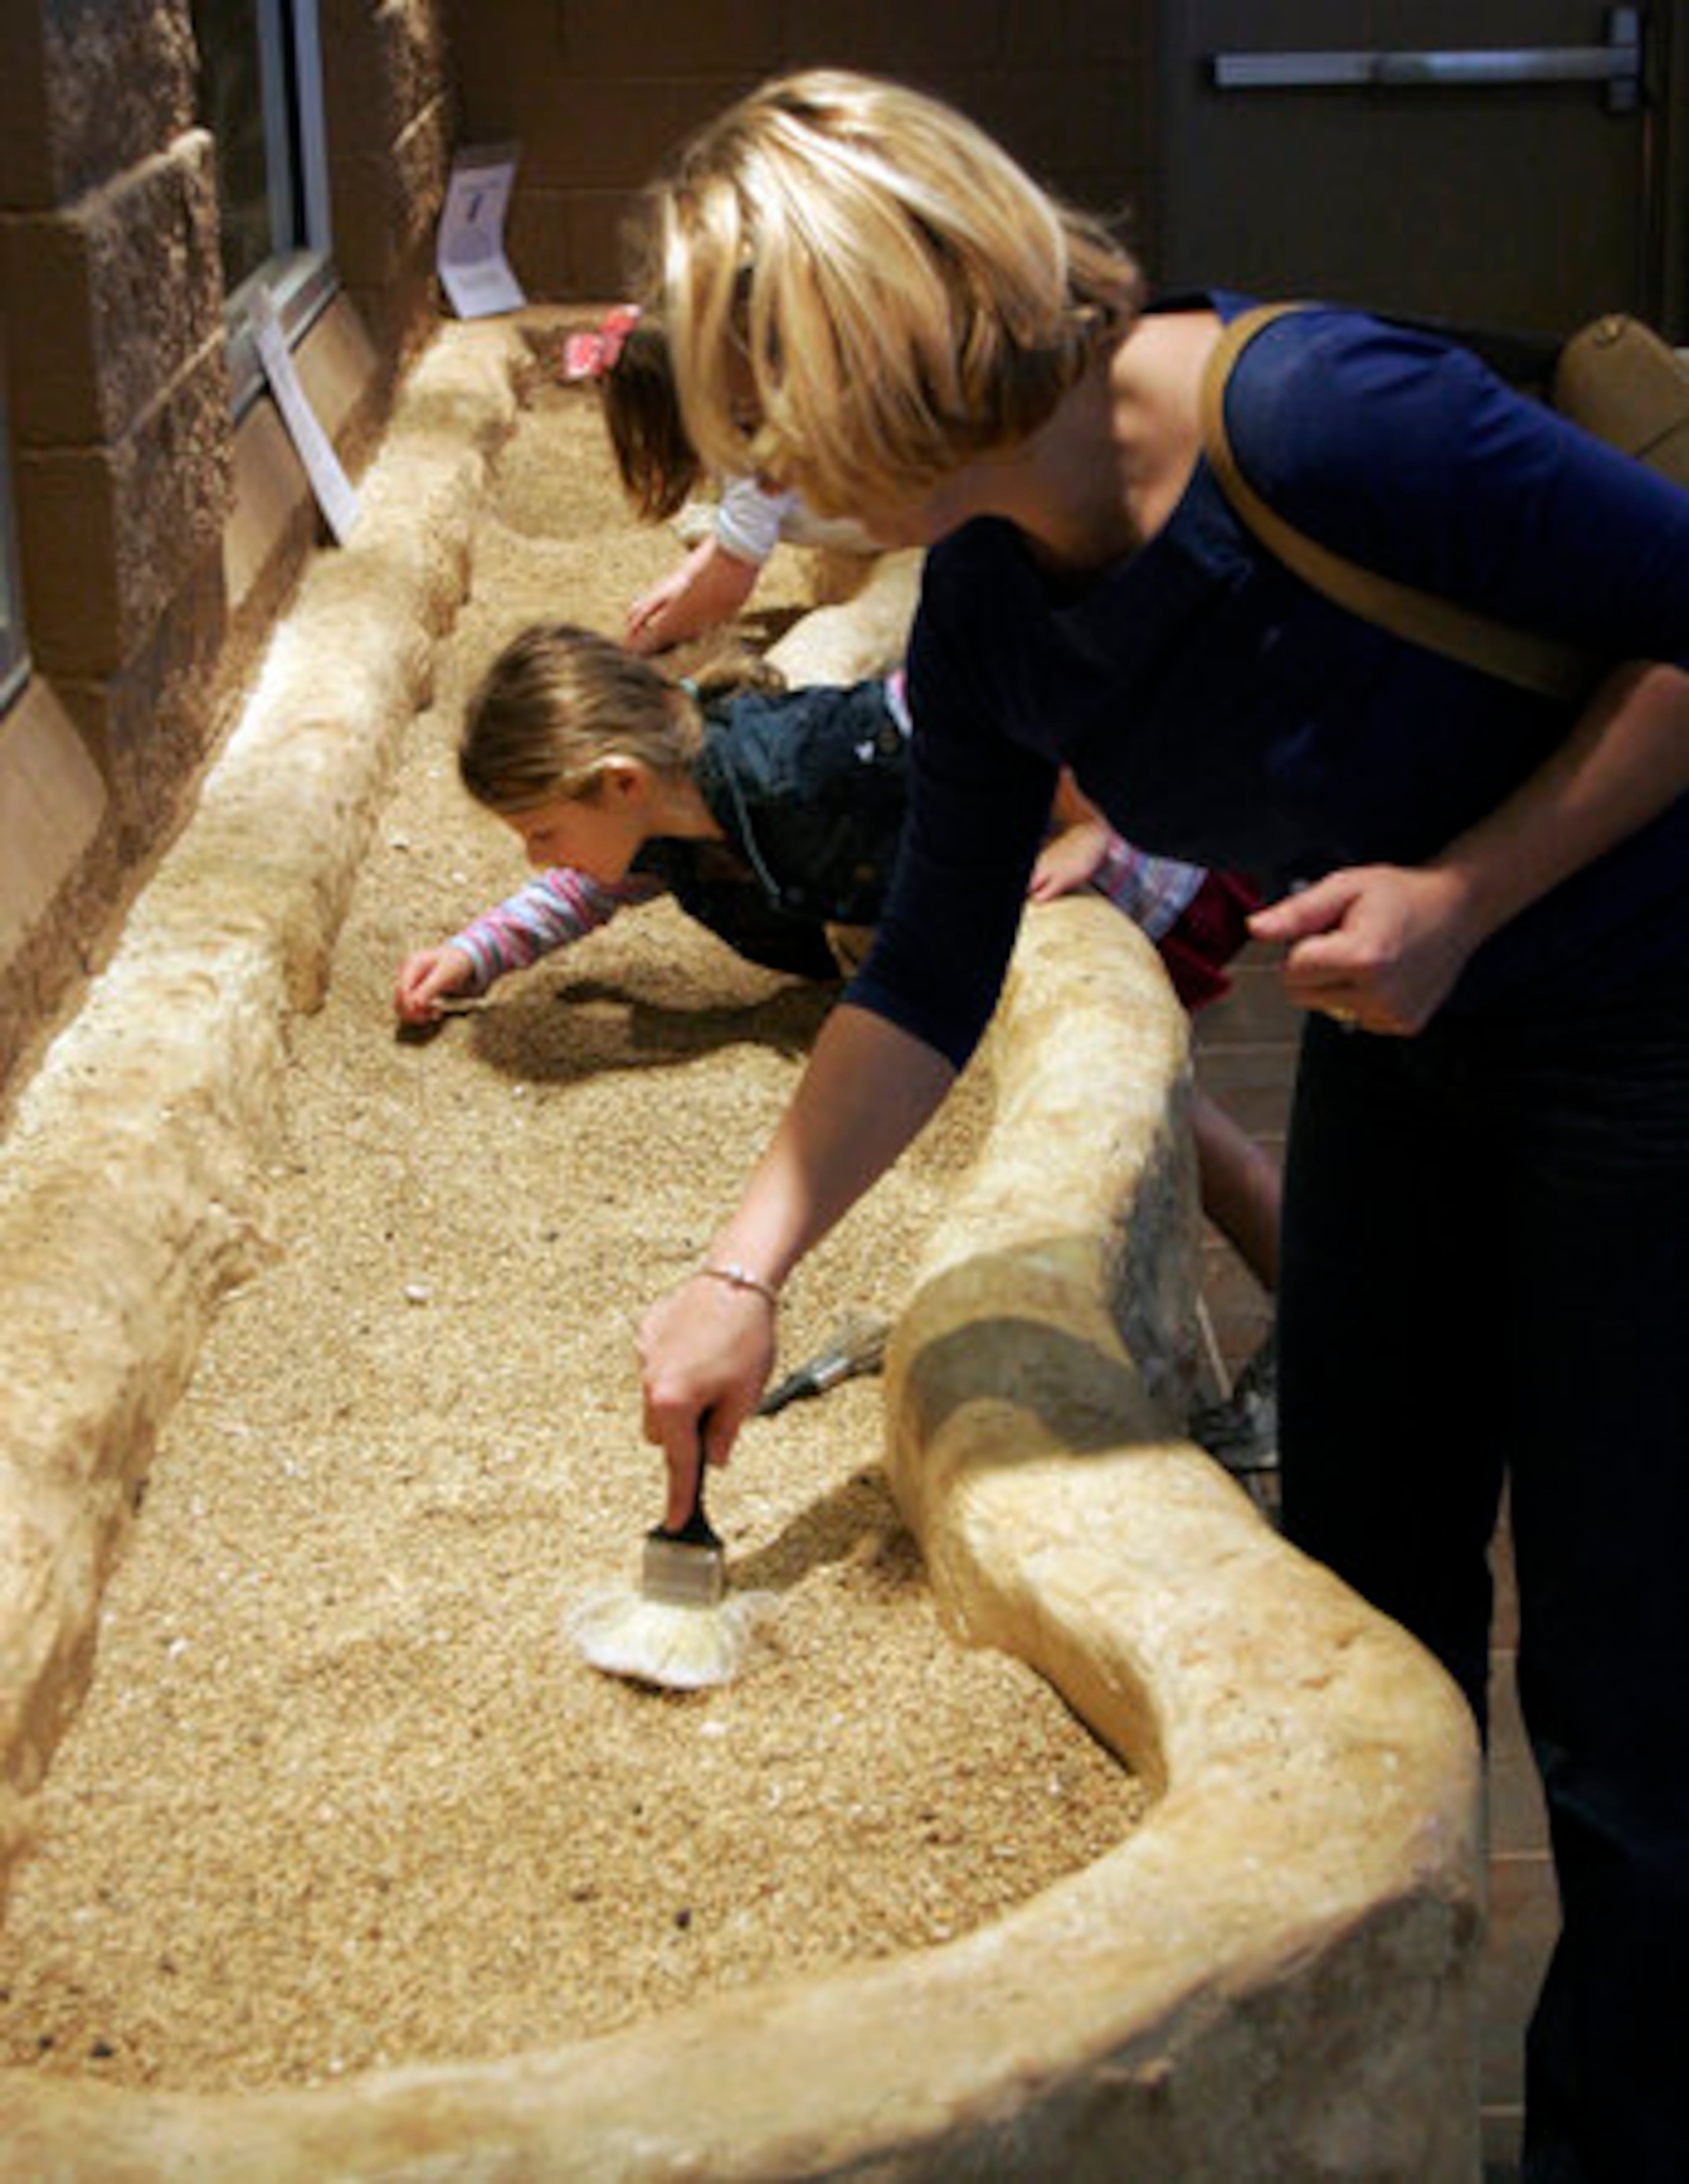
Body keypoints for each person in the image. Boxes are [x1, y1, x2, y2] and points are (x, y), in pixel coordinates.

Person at [628, 70, 1689, 2184]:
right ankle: (1388, 2090)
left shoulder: (1320, 421)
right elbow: (925, 970)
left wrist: (1470, 891)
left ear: (889, 345)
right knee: (1364, 1579)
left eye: (774, 417)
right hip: (1407, 1039)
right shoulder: (993, 598)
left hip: (1641, 1021)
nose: (764, 481)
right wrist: (743, 1268)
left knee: (1630, 1672)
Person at [393, 626, 1283, 1394]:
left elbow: (980, 708)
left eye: (542, 832)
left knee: (1172, 1110)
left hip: (1135, 880)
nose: (537, 854)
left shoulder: (806, 762)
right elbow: (583, 891)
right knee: (1164, 1115)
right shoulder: (668, 819)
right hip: (981, 928)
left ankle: (1310, 1317)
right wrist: (476, 953)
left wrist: (1088, 821)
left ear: (620, 782)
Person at [562, 305, 874, 654]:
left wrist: (655, 638)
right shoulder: (749, 402)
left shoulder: (749, 441)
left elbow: (731, 577)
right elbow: (731, 543)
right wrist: (686, 580)